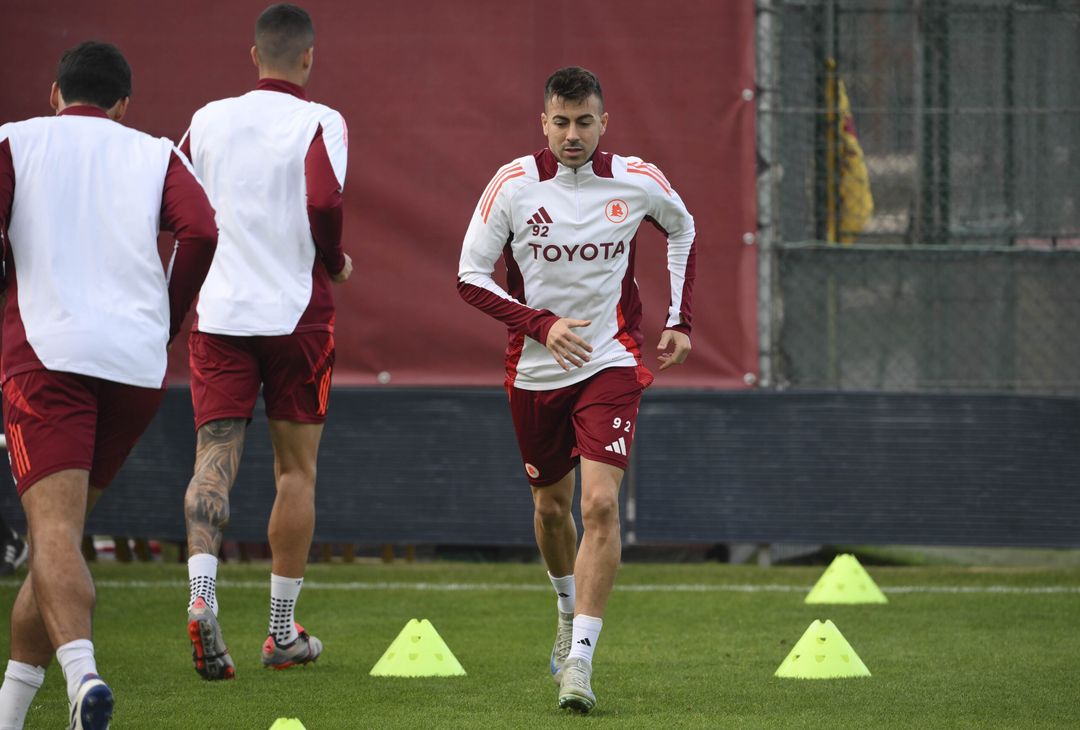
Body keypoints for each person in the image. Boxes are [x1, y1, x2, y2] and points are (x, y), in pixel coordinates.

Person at [457, 66, 696, 714]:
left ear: (603, 122)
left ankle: (581, 663)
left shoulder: (636, 179)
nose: (572, 134)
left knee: (598, 507)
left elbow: (683, 226)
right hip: (534, 370)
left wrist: (678, 319)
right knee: (550, 508)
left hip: (610, 363)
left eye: (584, 121)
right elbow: (469, 276)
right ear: (543, 122)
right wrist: (541, 324)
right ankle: (565, 609)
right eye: (560, 122)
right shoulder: (512, 184)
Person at [0, 41, 218, 730]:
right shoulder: (154, 152)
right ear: (124, 105)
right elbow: (203, 231)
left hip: (46, 354)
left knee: (53, 532)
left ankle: (83, 676)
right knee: (57, 540)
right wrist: (168, 317)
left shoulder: (14, 140)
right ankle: (9, 713)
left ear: (55, 94)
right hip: (133, 365)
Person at [178, 2, 352, 681]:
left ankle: (200, 596)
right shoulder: (321, 119)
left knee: (213, 459)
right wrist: (333, 258)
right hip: (296, 314)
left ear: (254, 56)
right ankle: (280, 632)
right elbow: (325, 202)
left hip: (219, 312)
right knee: (295, 472)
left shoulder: (206, 119)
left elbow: (179, 201)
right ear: (307, 58)